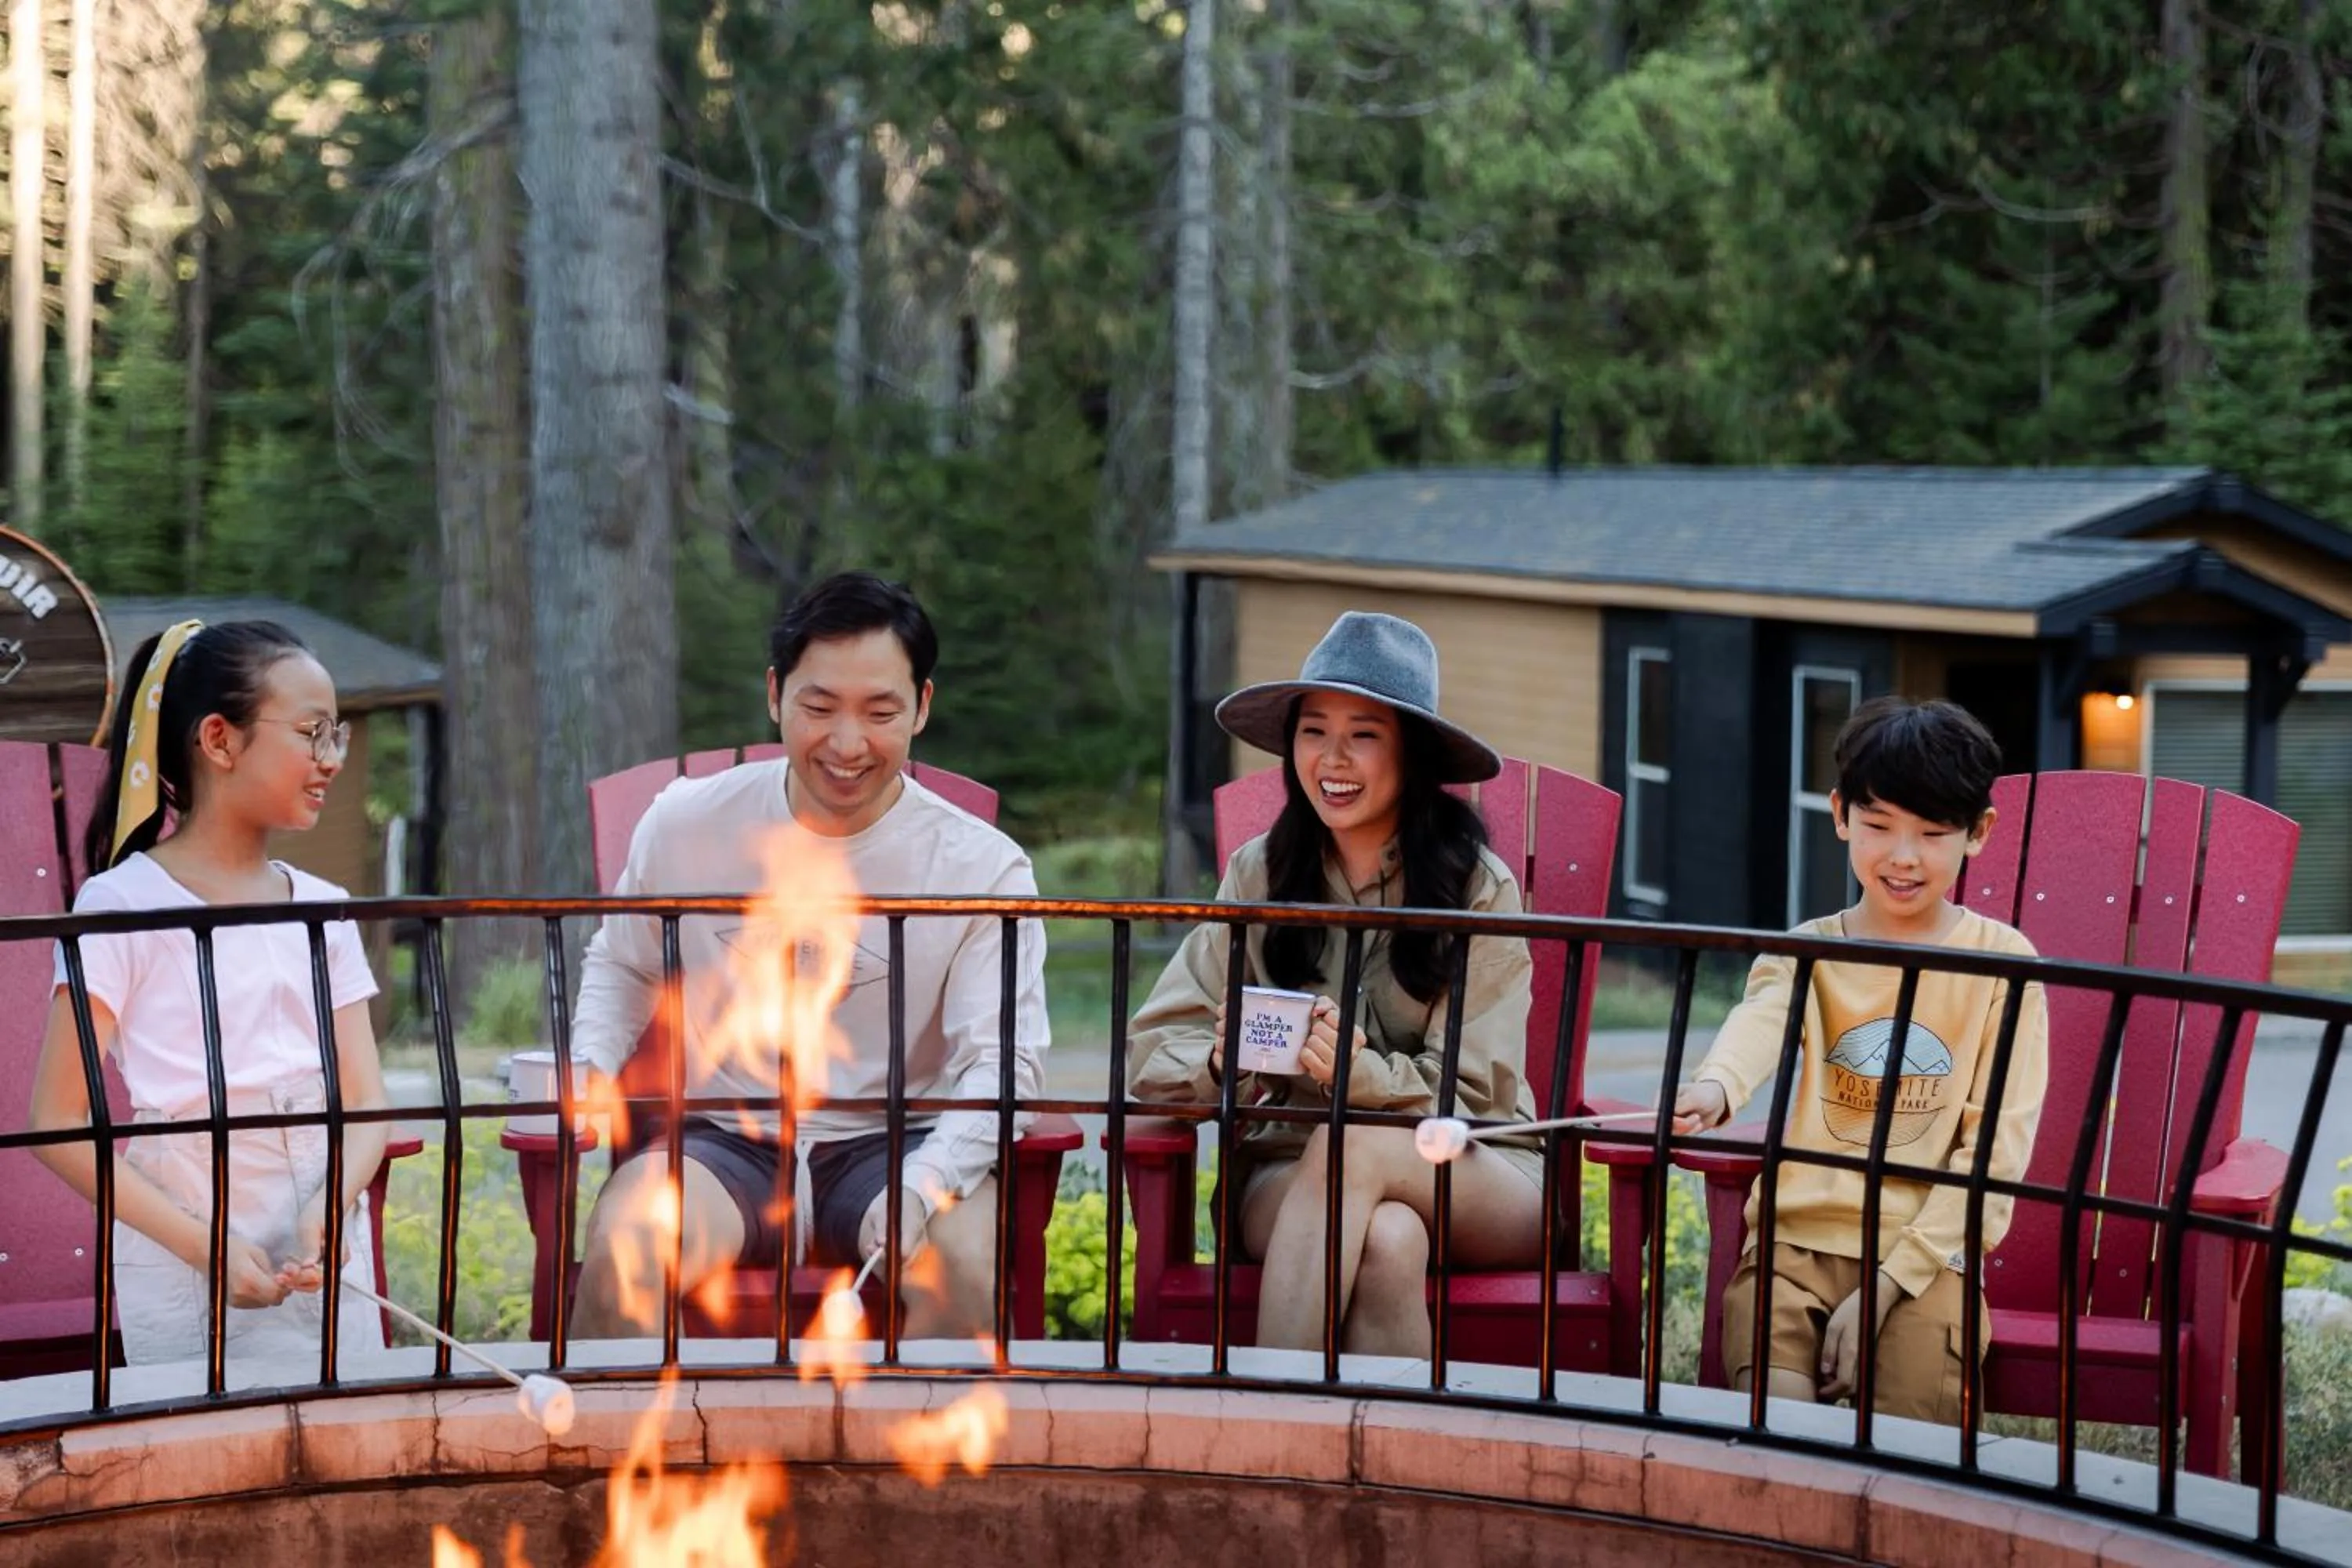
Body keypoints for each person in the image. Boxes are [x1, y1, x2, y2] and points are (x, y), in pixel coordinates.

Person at [568, 572, 1049, 1341]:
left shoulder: (980, 868)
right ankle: (624, 1426)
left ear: (922, 706)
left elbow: (1003, 1064)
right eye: (819, 708)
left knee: (960, 1264)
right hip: (724, 1139)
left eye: (880, 712)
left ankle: (927, 1428)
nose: (848, 744)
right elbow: (623, 962)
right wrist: (590, 1064)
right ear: (775, 695)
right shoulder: (688, 824)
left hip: (902, 1141)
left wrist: (927, 1181)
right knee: (628, 1251)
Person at [1127, 612, 1543, 1357]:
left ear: (1412, 752)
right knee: (1387, 1239)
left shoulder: (1478, 889)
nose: (1333, 758)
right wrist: (1220, 1063)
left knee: (1351, 1143)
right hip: (1287, 1172)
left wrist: (1359, 1076)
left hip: (1474, 1168)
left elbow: (1477, 1095)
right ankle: (1374, 1437)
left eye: (1364, 734)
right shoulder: (1260, 874)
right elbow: (1153, 1051)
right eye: (1314, 731)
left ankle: (1267, 1414)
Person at [1671, 696, 2049, 1424]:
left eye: (1932, 834)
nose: (1903, 856)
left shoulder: (2005, 964)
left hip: (1926, 1258)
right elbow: (1762, 1018)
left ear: (1978, 833)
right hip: (1793, 1244)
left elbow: (1995, 1149)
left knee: (1906, 1450)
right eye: (1879, 826)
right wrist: (1717, 1086)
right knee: (1783, 1437)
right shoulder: (1808, 949)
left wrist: (1888, 1284)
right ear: (1842, 815)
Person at [27, 620, 392, 1373]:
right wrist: (207, 1248)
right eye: (312, 733)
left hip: (323, 1256)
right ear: (220, 741)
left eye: (337, 736)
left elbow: (365, 1105)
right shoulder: (123, 907)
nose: (330, 759)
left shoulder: (324, 908)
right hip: (187, 1250)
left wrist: (330, 1205)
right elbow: (57, 1123)